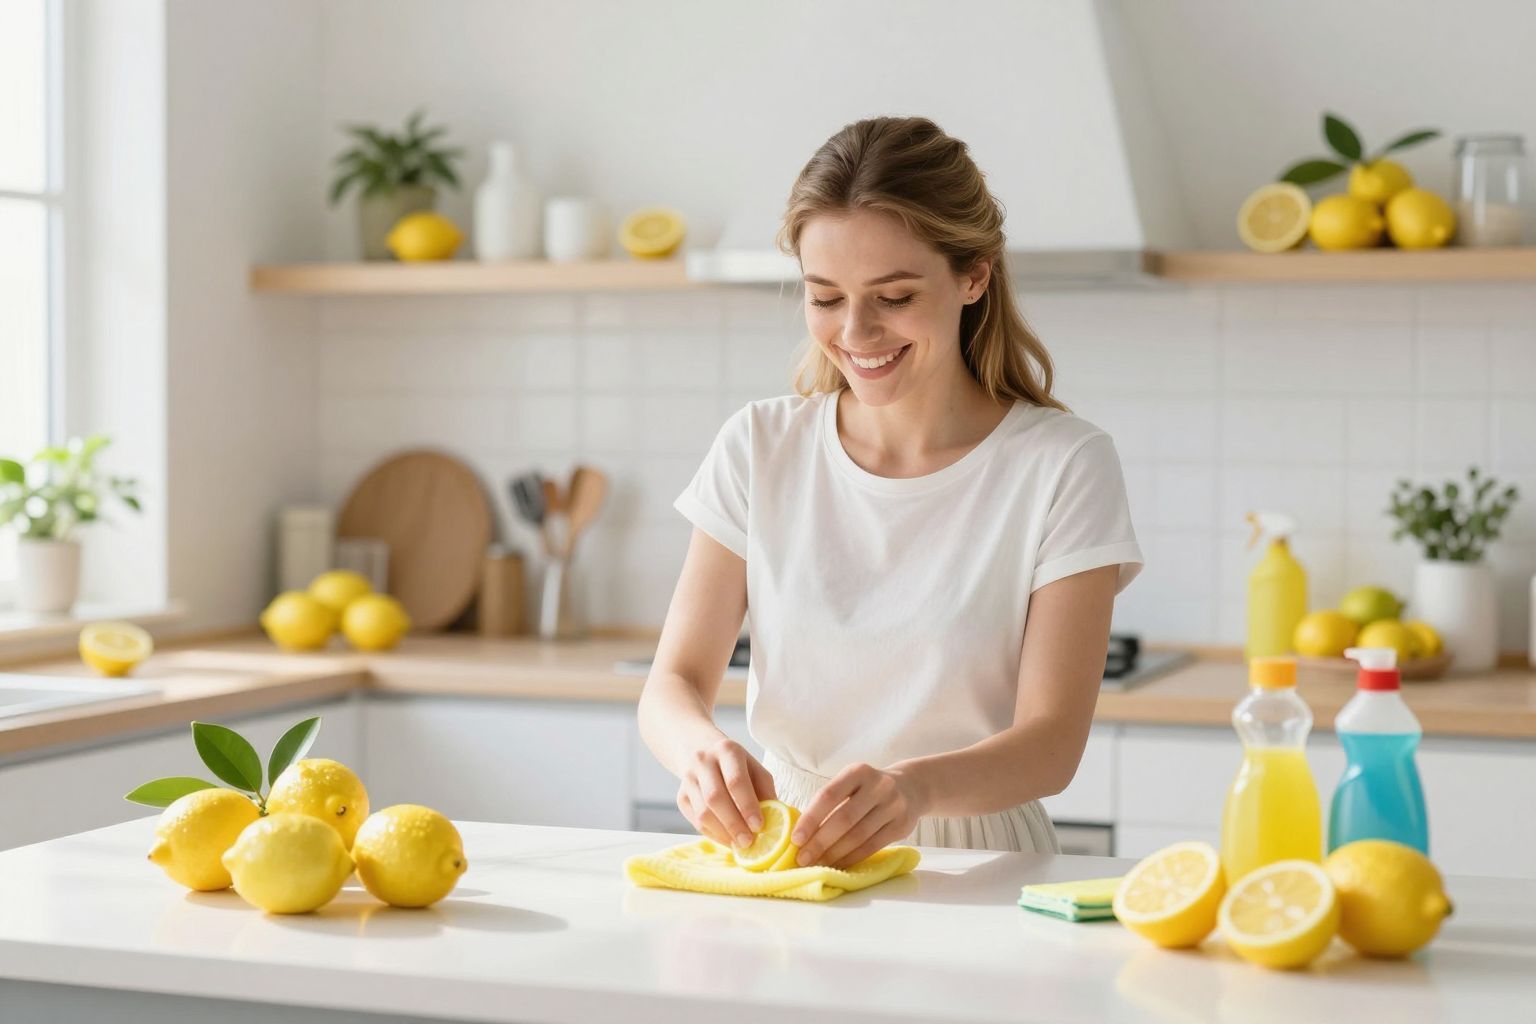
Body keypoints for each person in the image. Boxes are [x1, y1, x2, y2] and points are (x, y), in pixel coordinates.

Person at [636, 115, 1143, 869]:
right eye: (825, 297)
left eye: (895, 296)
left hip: (978, 863)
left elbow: (1051, 744)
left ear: (974, 275)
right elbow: (671, 684)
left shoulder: (1063, 465)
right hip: (786, 853)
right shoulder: (759, 447)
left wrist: (914, 792)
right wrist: (701, 753)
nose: (856, 332)